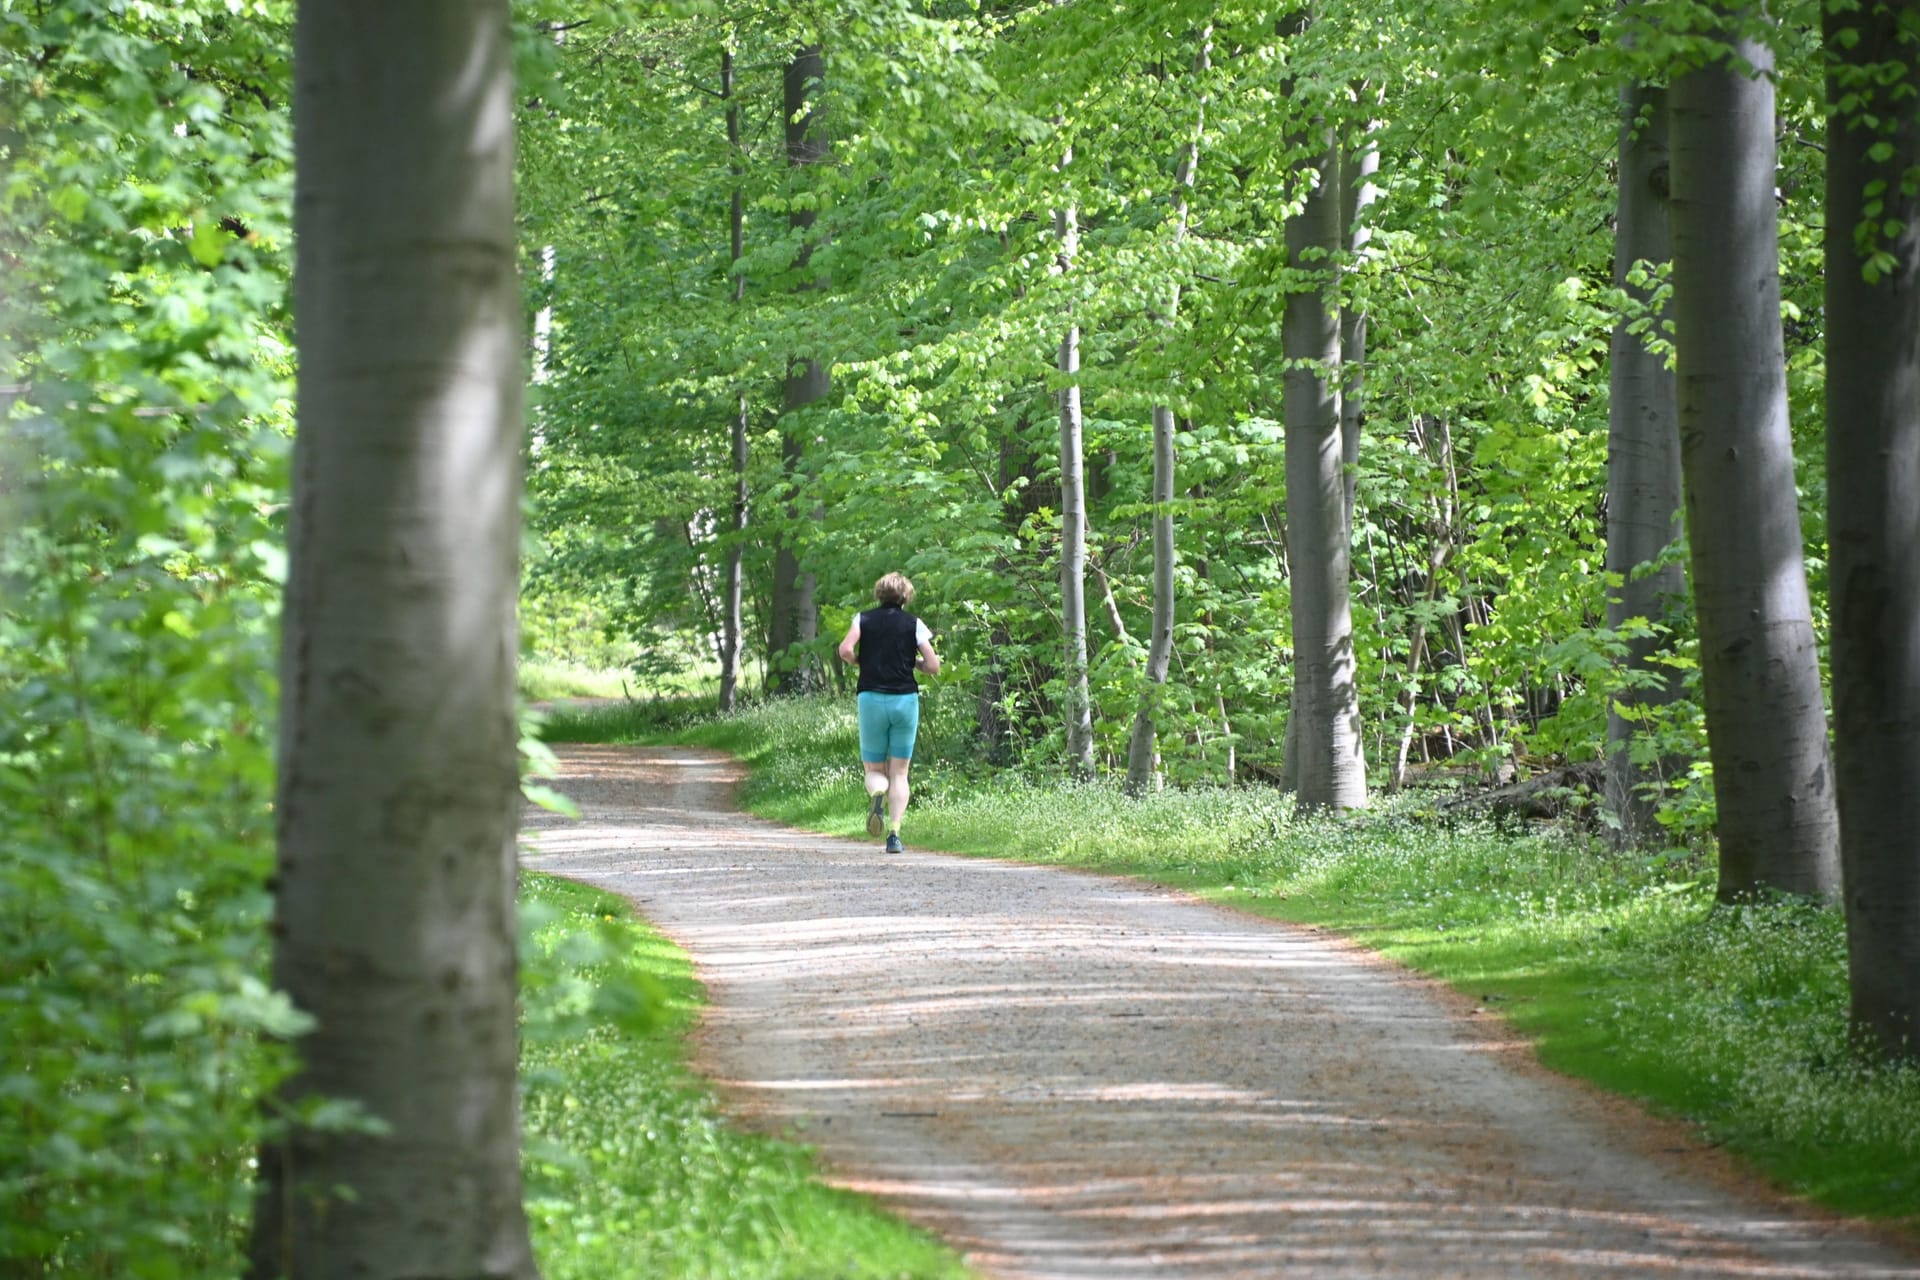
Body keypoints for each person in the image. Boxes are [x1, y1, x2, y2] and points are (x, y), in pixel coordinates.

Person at [837, 571, 940, 853]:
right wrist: (915, 664)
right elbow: (933, 666)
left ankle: (877, 791)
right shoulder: (914, 624)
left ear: (878, 594)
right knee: (900, 773)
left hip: (870, 698)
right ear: (905, 597)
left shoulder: (863, 619)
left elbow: (844, 649)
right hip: (904, 700)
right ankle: (894, 835)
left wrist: (860, 661)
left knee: (874, 769)